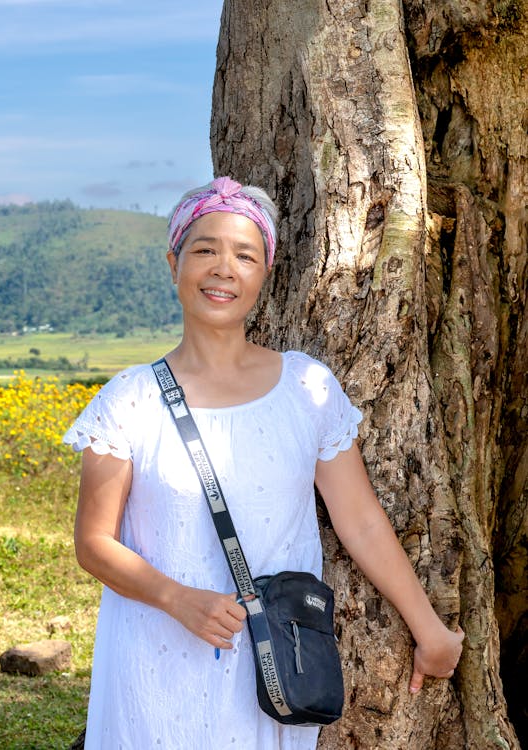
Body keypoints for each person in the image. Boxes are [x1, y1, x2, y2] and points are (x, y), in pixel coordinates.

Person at [64, 176, 464, 749]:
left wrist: (429, 629)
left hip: (271, 674)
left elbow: (362, 521)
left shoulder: (306, 388)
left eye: (244, 255)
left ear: (264, 273)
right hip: (154, 665)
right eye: (204, 249)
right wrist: (179, 599)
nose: (224, 268)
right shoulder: (129, 401)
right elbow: (94, 543)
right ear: (173, 262)